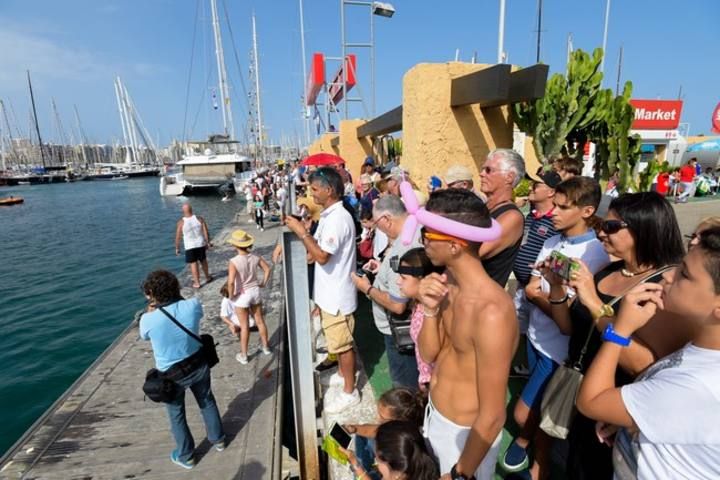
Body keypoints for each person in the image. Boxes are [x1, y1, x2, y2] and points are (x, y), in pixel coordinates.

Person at [542, 191, 687, 479]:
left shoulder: (662, 287)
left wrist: (594, 302)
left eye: (610, 227)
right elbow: (570, 329)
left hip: (611, 406)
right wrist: (556, 288)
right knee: (559, 462)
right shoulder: (609, 271)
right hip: (576, 387)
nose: (600, 234)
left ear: (645, 229)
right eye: (600, 226)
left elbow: (643, 364)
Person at [577, 226, 720, 480]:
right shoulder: (705, 350)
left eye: (684, 275)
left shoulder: (700, 385)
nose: (668, 276)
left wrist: (620, 330)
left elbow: (591, 402)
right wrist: (638, 415)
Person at [504, 176, 610, 479]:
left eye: (563, 207)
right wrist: (550, 296)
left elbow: (571, 315)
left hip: (560, 352)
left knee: (526, 413)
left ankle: (532, 453)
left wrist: (546, 295)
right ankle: (539, 465)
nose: (553, 213)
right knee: (540, 413)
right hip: (537, 339)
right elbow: (535, 289)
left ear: (587, 211)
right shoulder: (553, 241)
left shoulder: (597, 254)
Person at [417, 188, 518, 479]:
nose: (422, 240)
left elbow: (494, 414)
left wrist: (461, 473)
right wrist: (430, 309)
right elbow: (429, 354)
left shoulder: (492, 312)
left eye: (428, 233)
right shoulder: (447, 285)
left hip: (466, 437)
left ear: (454, 245)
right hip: (435, 416)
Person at [285, 167, 359, 414]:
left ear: (329, 190)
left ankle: (350, 392)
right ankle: (341, 374)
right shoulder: (330, 215)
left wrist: (302, 232)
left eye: (314, 189)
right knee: (337, 344)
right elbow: (317, 254)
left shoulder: (338, 219)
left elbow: (322, 257)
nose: (311, 193)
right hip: (329, 294)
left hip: (338, 296)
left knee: (343, 346)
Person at [139, 270, 225, 469]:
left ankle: (186, 456)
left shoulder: (148, 319)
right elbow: (189, 310)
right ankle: (218, 439)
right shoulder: (192, 305)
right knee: (207, 401)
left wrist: (152, 306)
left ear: (152, 294)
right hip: (198, 364)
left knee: (176, 414)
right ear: (176, 287)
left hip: (170, 376)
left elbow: (144, 335)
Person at [351, 195, 422, 388]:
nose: (375, 227)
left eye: (375, 222)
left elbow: (398, 304)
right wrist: (382, 267)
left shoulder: (403, 248)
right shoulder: (416, 230)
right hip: (412, 329)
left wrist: (367, 288)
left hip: (400, 331)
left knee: (405, 388)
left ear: (386, 219)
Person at [511, 170, 561, 335]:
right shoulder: (530, 215)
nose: (531, 188)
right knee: (517, 332)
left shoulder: (556, 221)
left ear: (551, 192)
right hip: (522, 287)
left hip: (541, 293)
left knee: (536, 335)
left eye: (537, 185)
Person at [344, 387, 427, 479]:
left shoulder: (402, 461)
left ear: (399, 422)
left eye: (383, 418)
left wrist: (356, 466)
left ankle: (372, 473)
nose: (377, 419)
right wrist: (354, 429)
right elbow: (372, 430)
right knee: (362, 436)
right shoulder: (404, 432)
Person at [394, 247, 444, 391]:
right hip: (426, 379)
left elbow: (433, 356)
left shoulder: (432, 313)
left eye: (404, 278)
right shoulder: (418, 304)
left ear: (423, 280)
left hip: (435, 384)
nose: (398, 282)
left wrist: (428, 383)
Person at [478, 148, 527, 287]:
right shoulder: (484, 207)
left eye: (488, 170)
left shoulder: (512, 217)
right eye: (483, 169)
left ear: (509, 177)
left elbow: (476, 251)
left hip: (483, 300)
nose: (481, 174)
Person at [226, 229, 271, 364]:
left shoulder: (234, 261)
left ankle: (244, 355)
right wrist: (263, 283)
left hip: (242, 295)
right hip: (255, 291)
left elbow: (230, 281)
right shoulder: (256, 257)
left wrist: (230, 295)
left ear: (235, 245)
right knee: (260, 321)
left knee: (244, 326)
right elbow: (267, 269)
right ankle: (266, 347)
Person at [345, 421, 440, 480]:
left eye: (378, 459)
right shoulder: (416, 445)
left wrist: (356, 466)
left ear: (397, 474)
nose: (376, 462)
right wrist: (355, 429)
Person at [175, 203, 213, 289]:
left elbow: (178, 237)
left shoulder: (181, 222)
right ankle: (207, 277)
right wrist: (208, 242)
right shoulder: (199, 219)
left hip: (190, 246)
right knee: (203, 261)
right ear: (191, 209)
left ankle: (197, 283)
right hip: (200, 244)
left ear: (183, 211)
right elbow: (205, 232)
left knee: (193, 264)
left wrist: (177, 248)